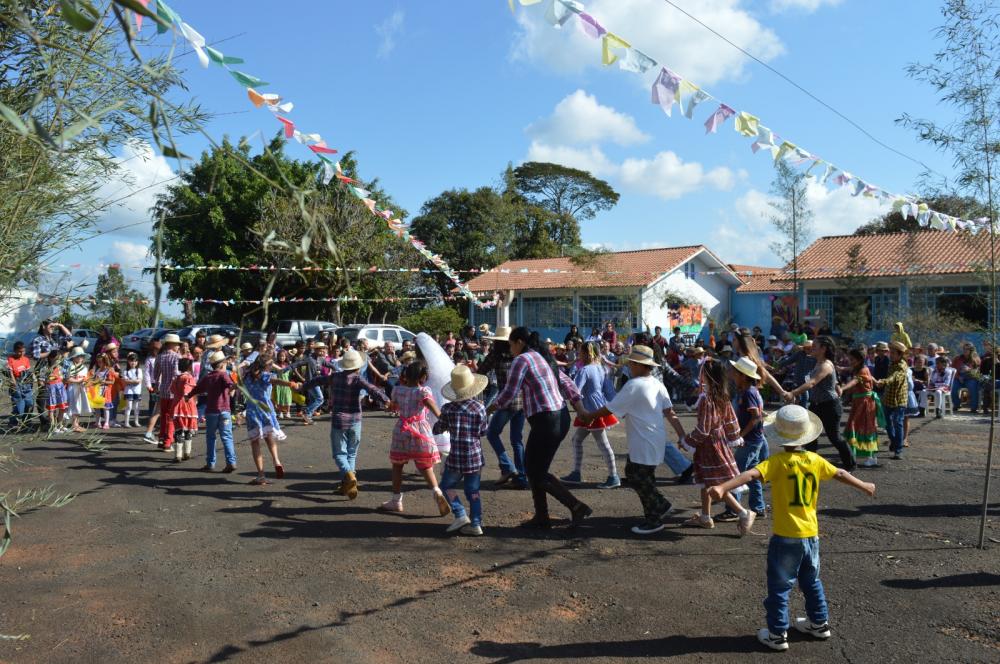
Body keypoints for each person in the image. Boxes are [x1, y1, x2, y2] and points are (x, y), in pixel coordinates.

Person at [708, 404, 876, 652]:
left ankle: (777, 634)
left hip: (786, 537)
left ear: (779, 435)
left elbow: (751, 475)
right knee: (811, 581)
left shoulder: (777, 462)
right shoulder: (814, 460)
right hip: (811, 536)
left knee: (779, 587)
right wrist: (863, 484)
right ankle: (819, 624)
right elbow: (839, 472)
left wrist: (723, 487)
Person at [489, 327, 592, 529]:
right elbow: (567, 382)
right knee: (536, 469)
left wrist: (488, 409)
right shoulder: (542, 356)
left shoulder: (522, 359)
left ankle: (575, 506)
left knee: (534, 470)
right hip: (559, 417)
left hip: (546, 420)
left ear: (519, 342)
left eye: (511, 344)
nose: (510, 349)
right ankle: (542, 517)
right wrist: (580, 408)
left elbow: (510, 393)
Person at [585, 345, 686, 535]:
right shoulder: (657, 383)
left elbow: (609, 408)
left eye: (632, 363)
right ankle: (660, 506)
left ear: (640, 365)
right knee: (636, 474)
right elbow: (670, 412)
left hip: (643, 440)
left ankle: (654, 518)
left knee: (641, 479)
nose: (629, 366)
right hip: (654, 438)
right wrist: (681, 434)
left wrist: (589, 415)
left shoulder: (634, 385)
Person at [303, 349, 388, 500]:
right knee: (351, 453)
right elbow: (373, 389)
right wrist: (387, 400)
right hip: (355, 420)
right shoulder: (358, 379)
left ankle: (349, 476)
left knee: (339, 454)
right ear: (358, 366)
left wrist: (302, 387)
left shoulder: (335, 377)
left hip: (339, 420)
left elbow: (317, 381)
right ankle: (349, 484)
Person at [680, 359, 753, 534]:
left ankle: (743, 513)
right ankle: (705, 517)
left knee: (714, 482)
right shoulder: (722, 394)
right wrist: (734, 436)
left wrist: (687, 441)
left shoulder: (707, 398)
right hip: (718, 441)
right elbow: (731, 421)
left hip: (710, 445)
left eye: (703, 372)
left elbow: (704, 428)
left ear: (707, 375)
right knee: (708, 480)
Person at [381, 360, 450, 515]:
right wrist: (443, 418)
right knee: (425, 466)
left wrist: (390, 406)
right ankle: (436, 492)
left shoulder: (397, 390)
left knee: (397, 466)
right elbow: (431, 406)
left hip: (402, 431)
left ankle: (396, 500)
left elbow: (393, 407)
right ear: (423, 377)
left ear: (406, 375)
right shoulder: (423, 391)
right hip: (420, 431)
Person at [783, 336, 855, 470]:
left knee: (834, 438)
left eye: (815, 346)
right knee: (810, 435)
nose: (811, 348)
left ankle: (850, 465)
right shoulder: (816, 362)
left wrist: (793, 393)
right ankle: (810, 464)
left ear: (823, 349)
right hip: (816, 405)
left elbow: (812, 382)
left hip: (830, 406)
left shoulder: (825, 365)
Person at [434, 365, 490, 536]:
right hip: (474, 457)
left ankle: (459, 513)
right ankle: (476, 523)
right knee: (473, 490)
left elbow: (438, 428)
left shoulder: (448, 409)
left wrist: (441, 426)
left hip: (456, 458)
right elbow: (483, 431)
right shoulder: (480, 408)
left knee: (445, 485)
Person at [561, 341, 620, 489]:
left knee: (602, 443)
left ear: (587, 353)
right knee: (577, 439)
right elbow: (609, 390)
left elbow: (574, 391)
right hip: (598, 408)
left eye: (580, 352)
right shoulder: (600, 368)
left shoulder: (585, 370)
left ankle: (613, 476)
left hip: (590, 411)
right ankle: (576, 473)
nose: (578, 355)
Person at [718, 357, 769, 521]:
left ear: (743, 375)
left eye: (735, 371)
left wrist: (740, 435)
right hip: (755, 439)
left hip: (750, 440)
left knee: (735, 475)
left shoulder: (748, 393)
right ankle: (758, 507)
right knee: (751, 474)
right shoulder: (750, 391)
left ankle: (733, 509)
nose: (732, 373)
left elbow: (755, 417)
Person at [477, 327, 529, 490]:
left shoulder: (495, 355)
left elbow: (481, 371)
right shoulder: (519, 356)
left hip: (506, 401)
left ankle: (507, 467)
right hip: (521, 402)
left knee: (492, 433)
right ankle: (521, 477)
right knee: (516, 440)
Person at [243, 353, 298, 485]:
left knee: (255, 442)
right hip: (266, 410)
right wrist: (290, 383)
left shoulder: (247, 376)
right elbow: (276, 381)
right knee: (269, 436)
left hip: (252, 410)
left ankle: (261, 475)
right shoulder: (265, 375)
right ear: (267, 365)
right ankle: (276, 460)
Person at [187, 350, 237, 473]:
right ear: (222, 364)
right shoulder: (223, 375)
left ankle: (210, 463)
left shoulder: (208, 377)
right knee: (227, 437)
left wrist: (188, 396)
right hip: (224, 411)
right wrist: (236, 384)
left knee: (210, 438)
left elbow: (197, 388)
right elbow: (230, 385)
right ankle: (231, 461)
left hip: (211, 412)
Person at [840, 349, 881, 467]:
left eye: (852, 359)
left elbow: (854, 381)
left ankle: (871, 456)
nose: (850, 361)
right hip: (860, 402)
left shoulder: (862, 370)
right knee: (858, 427)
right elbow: (868, 375)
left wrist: (842, 388)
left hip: (865, 403)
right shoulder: (861, 368)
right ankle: (865, 455)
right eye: (850, 359)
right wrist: (876, 381)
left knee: (866, 427)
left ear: (859, 360)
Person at [876, 342, 910, 460]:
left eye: (893, 353)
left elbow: (895, 377)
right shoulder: (891, 363)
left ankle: (898, 450)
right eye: (890, 352)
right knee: (887, 423)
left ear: (900, 354)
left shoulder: (902, 365)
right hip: (888, 397)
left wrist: (884, 381)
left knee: (898, 422)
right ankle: (895, 442)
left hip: (900, 399)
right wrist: (882, 384)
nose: (891, 354)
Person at [153, 333, 182, 451]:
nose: (178, 347)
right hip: (173, 391)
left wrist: (157, 385)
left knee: (164, 416)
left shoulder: (160, 357)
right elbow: (176, 374)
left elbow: (156, 374)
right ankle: (168, 442)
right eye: (177, 344)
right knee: (171, 417)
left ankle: (161, 438)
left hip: (163, 389)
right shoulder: (176, 357)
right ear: (172, 344)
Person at [170, 358, 199, 462]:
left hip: (177, 405)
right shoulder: (189, 378)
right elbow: (187, 391)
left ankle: (178, 455)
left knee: (178, 430)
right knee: (188, 430)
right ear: (189, 367)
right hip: (188, 405)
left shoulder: (177, 378)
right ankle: (187, 453)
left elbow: (172, 390)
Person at [7, 341, 33, 429]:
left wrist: (32, 380)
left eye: (23, 351)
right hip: (16, 383)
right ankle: (13, 421)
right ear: (15, 350)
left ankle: (26, 421)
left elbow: (29, 372)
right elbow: (10, 373)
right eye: (19, 351)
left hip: (26, 384)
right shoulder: (11, 359)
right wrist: (14, 384)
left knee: (29, 403)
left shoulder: (26, 359)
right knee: (19, 407)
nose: (21, 353)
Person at [65, 346, 91, 432]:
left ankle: (76, 424)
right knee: (74, 405)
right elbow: (68, 379)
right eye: (78, 356)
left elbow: (86, 378)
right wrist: (78, 380)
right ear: (74, 357)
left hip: (81, 388)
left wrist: (85, 382)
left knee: (79, 405)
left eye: (81, 356)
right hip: (73, 388)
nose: (80, 358)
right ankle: (74, 425)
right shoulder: (71, 367)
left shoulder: (84, 368)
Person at [951, 342, 981, 413]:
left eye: (967, 349)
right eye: (964, 349)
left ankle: (974, 408)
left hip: (971, 378)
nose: (965, 350)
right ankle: (956, 404)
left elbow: (978, 372)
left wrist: (969, 370)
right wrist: (958, 377)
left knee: (973, 387)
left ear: (971, 350)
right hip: (959, 378)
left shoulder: (976, 359)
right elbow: (952, 370)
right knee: (953, 387)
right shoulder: (957, 358)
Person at [121, 353, 143, 428]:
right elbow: (126, 381)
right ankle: (126, 422)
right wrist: (134, 381)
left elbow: (139, 381)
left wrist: (130, 381)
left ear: (137, 362)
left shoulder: (139, 370)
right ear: (128, 361)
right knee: (129, 407)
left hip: (137, 391)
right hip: (128, 391)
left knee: (136, 407)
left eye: (135, 361)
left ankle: (136, 421)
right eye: (131, 361)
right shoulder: (125, 371)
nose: (133, 362)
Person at [272, 349, 294, 419]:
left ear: (286, 357)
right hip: (278, 384)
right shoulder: (276, 365)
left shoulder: (288, 365)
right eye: (280, 356)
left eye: (283, 356)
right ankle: (280, 412)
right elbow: (273, 374)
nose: (282, 358)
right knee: (279, 399)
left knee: (287, 398)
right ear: (278, 357)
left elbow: (291, 375)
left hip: (287, 384)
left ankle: (288, 412)